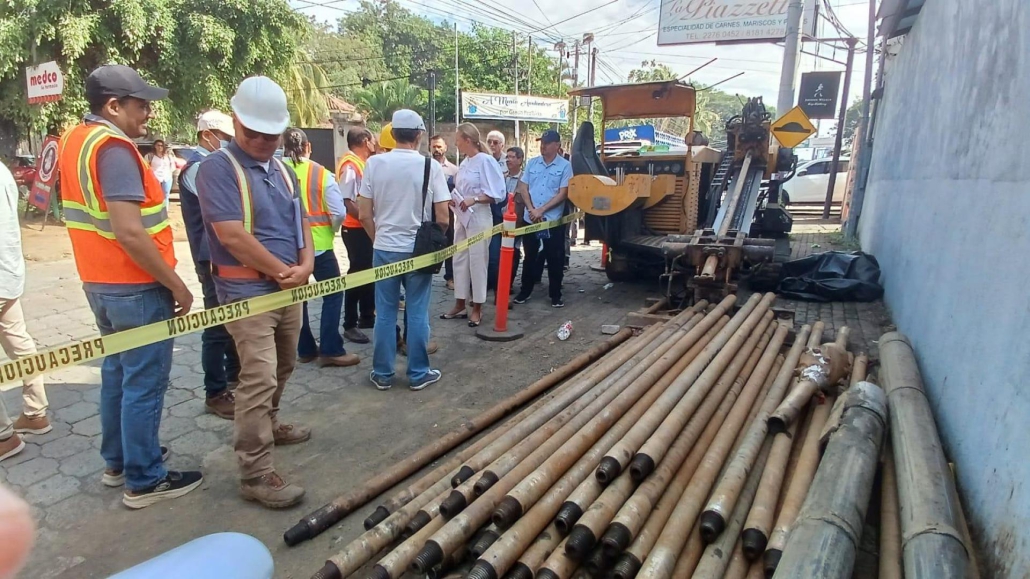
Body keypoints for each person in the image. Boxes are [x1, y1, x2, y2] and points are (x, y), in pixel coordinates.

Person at [57, 64, 201, 507]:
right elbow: (130, 231)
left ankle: (119, 461)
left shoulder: (75, 139)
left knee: (118, 375)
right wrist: (176, 284)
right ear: (113, 106)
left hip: (99, 281)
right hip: (136, 285)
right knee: (144, 382)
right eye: (141, 105)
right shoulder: (115, 149)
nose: (148, 113)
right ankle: (145, 478)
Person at [196, 76, 313, 508]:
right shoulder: (218, 169)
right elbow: (230, 234)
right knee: (258, 377)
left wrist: (305, 264)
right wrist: (282, 270)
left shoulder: (283, 170)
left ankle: (270, 425)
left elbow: (301, 222)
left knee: (284, 365)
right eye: (253, 133)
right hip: (246, 291)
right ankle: (255, 471)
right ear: (235, 122)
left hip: (286, 286)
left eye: (271, 135)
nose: (263, 142)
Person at [358, 110, 449, 391]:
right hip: (418, 251)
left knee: (385, 313)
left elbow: (364, 214)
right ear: (419, 135)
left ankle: (382, 374)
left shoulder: (374, 164)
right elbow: (443, 217)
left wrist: (379, 240)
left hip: (384, 249)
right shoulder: (430, 166)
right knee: (417, 312)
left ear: (393, 134)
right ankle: (418, 374)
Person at [178, 110, 239, 419]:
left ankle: (234, 374)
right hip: (210, 256)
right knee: (217, 326)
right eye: (225, 138)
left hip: (222, 254)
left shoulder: (212, 165)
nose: (228, 144)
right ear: (207, 136)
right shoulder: (199, 169)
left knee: (231, 320)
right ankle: (215, 392)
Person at [281, 128, 359, 368]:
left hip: (288, 249)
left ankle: (305, 349)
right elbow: (338, 212)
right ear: (308, 147)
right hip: (320, 247)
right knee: (333, 295)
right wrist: (331, 230)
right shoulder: (320, 173)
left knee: (299, 299)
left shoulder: (274, 170)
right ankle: (330, 349)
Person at [0, 163, 50, 463]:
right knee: (18, 341)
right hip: (7, 273)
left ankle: (3, 437)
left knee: (18, 340)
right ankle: (35, 413)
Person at [441, 124, 506, 327]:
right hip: (462, 216)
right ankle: (460, 302)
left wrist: (475, 199)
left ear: (467, 140)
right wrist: (455, 200)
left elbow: (498, 194)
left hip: (479, 216)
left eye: (458, 139)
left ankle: (477, 307)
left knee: (478, 261)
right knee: (460, 258)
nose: (456, 143)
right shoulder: (465, 162)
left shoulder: (485, 161)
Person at [513, 130, 572, 308]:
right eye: (542, 143)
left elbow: (563, 193)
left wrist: (542, 210)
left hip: (551, 220)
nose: (543, 146)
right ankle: (525, 291)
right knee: (529, 256)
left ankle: (555, 294)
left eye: (547, 143)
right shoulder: (533, 163)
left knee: (555, 258)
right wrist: (532, 209)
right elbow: (523, 187)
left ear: (557, 145)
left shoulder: (565, 166)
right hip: (531, 219)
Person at [337, 126, 377, 344]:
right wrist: (365, 218)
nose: (374, 143)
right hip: (355, 229)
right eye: (372, 140)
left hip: (362, 226)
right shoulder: (351, 165)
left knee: (368, 271)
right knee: (356, 274)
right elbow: (347, 200)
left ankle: (367, 316)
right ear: (364, 141)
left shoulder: (361, 163)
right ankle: (350, 324)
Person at [430, 135, 459, 290]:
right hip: (428, 211)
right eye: (434, 146)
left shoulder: (454, 170)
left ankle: (450, 276)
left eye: (439, 146)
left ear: (445, 148)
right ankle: (426, 273)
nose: (437, 149)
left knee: (449, 242)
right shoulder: (425, 167)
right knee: (427, 242)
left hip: (448, 212)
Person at [485, 131, 507, 290]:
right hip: (482, 211)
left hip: (500, 214)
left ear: (502, 145)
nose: (492, 145)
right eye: (489, 142)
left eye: (495, 142)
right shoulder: (482, 159)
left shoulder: (508, 161)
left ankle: (496, 283)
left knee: (496, 253)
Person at [503, 146, 525, 292]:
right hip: (499, 222)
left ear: (520, 159)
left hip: (516, 223)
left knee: (513, 252)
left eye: (512, 157)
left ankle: (508, 283)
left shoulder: (525, 179)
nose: (508, 160)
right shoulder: (502, 177)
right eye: (507, 157)